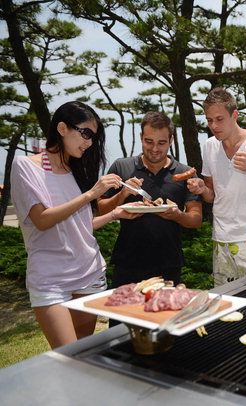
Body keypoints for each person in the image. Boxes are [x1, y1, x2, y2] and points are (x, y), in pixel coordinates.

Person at [10, 101, 139, 348]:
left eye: (94, 136)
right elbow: (42, 220)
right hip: (50, 278)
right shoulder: (26, 166)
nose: (89, 142)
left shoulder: (77, 169)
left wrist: (116, 213)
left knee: (84, 352)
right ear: (61, 128)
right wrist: (91, 194)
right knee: (66, 356)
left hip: (88, 271)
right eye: (86, 133)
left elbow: (80, 227)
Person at [98, 112, 202, 288]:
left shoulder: (184, 173)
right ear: (141, 137)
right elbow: (100, 210)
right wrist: (122, 194)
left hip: (169, 263)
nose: (154, 148)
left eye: (161, 143)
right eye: (149, 141)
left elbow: (196, 219)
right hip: (127, 261)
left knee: (161, 315)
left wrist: (177, 215)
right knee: (121, 314)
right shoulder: (122, 166)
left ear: (171, 141)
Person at [187, 88, 246, 285]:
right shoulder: (210, 145)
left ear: (234, 115)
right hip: (221, 238)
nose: (214, 125)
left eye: (219, 119)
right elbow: (212, 196)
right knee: (225, 300)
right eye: (209, 120)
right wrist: (202, 189)